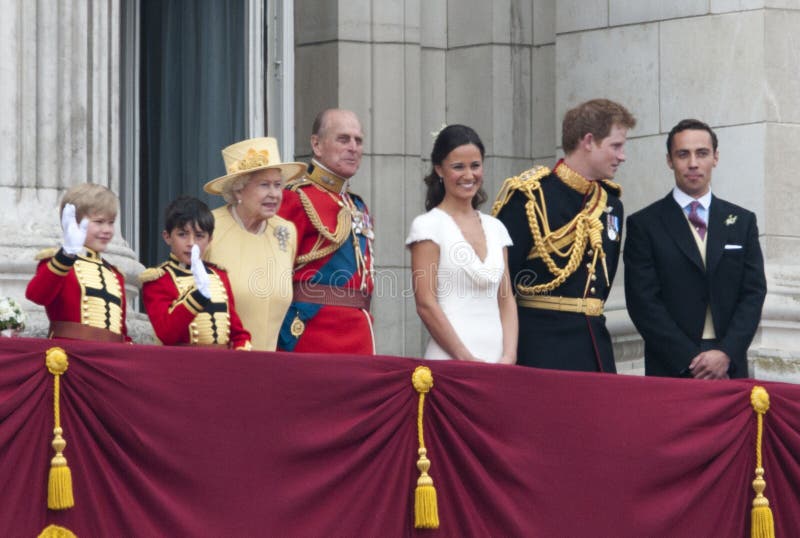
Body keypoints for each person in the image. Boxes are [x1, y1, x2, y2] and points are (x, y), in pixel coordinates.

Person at [492, 98, 636, 372]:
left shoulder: (610, 205)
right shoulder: (530, 197)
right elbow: (501, 284)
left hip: (595, 352)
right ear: (589, 141)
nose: (622, 156)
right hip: (540, 351)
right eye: (616, 146)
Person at [624, 119, 767, 379]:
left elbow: (753, 292)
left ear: (715, 157)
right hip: (671, 365)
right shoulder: (644, 224)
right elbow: (643, 302)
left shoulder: (743, 221)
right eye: (683, 154)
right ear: (669, 160)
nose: (693, 163)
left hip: (729, 364)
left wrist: (726, 353)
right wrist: (689, 359)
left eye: (702, 153)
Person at [406, 125, 517, 364]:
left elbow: (506, 298)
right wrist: (465, 359)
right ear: (439, 170)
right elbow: (426, 304)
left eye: (475, 166)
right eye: (458, 167)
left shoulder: (496, 228)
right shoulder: (427, 226)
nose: (469, 175)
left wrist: (509, 356)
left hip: (499, 363)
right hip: (451, 361)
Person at [277, 109, 376, 354]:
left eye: (358, 140)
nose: (353, 147)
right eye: (343, 139)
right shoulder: (295, 198)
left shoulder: (357, 205)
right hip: (311, 334)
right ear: (317, 145)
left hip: (359, 332)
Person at [203, 137, 305, 351]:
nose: (274, 194)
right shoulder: (208, 227)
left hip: (268, 366)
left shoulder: (285, 232)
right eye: (264, 185)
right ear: (239, 190)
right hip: (217, 364)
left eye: (278, 185)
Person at [140, 196, 252, 349]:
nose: (191, 243)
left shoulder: (219, 276)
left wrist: (242, 348)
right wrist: (197, 297)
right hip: (182, 366)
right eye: (182, 234)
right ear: (167, 237)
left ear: (209, 239)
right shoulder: (158, 280)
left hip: (222, 367)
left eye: (199, 236)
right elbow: (166, 334)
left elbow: (237, 333)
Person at [26, 183, 130, 342]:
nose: (107, 230)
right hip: (71, 357)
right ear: (74, 223)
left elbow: (122, 331)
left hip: (110, 358)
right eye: (99, 221)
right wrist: (67, 254)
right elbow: (36, 295)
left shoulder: (115, 274)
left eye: (111, 222)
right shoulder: (59, 261)